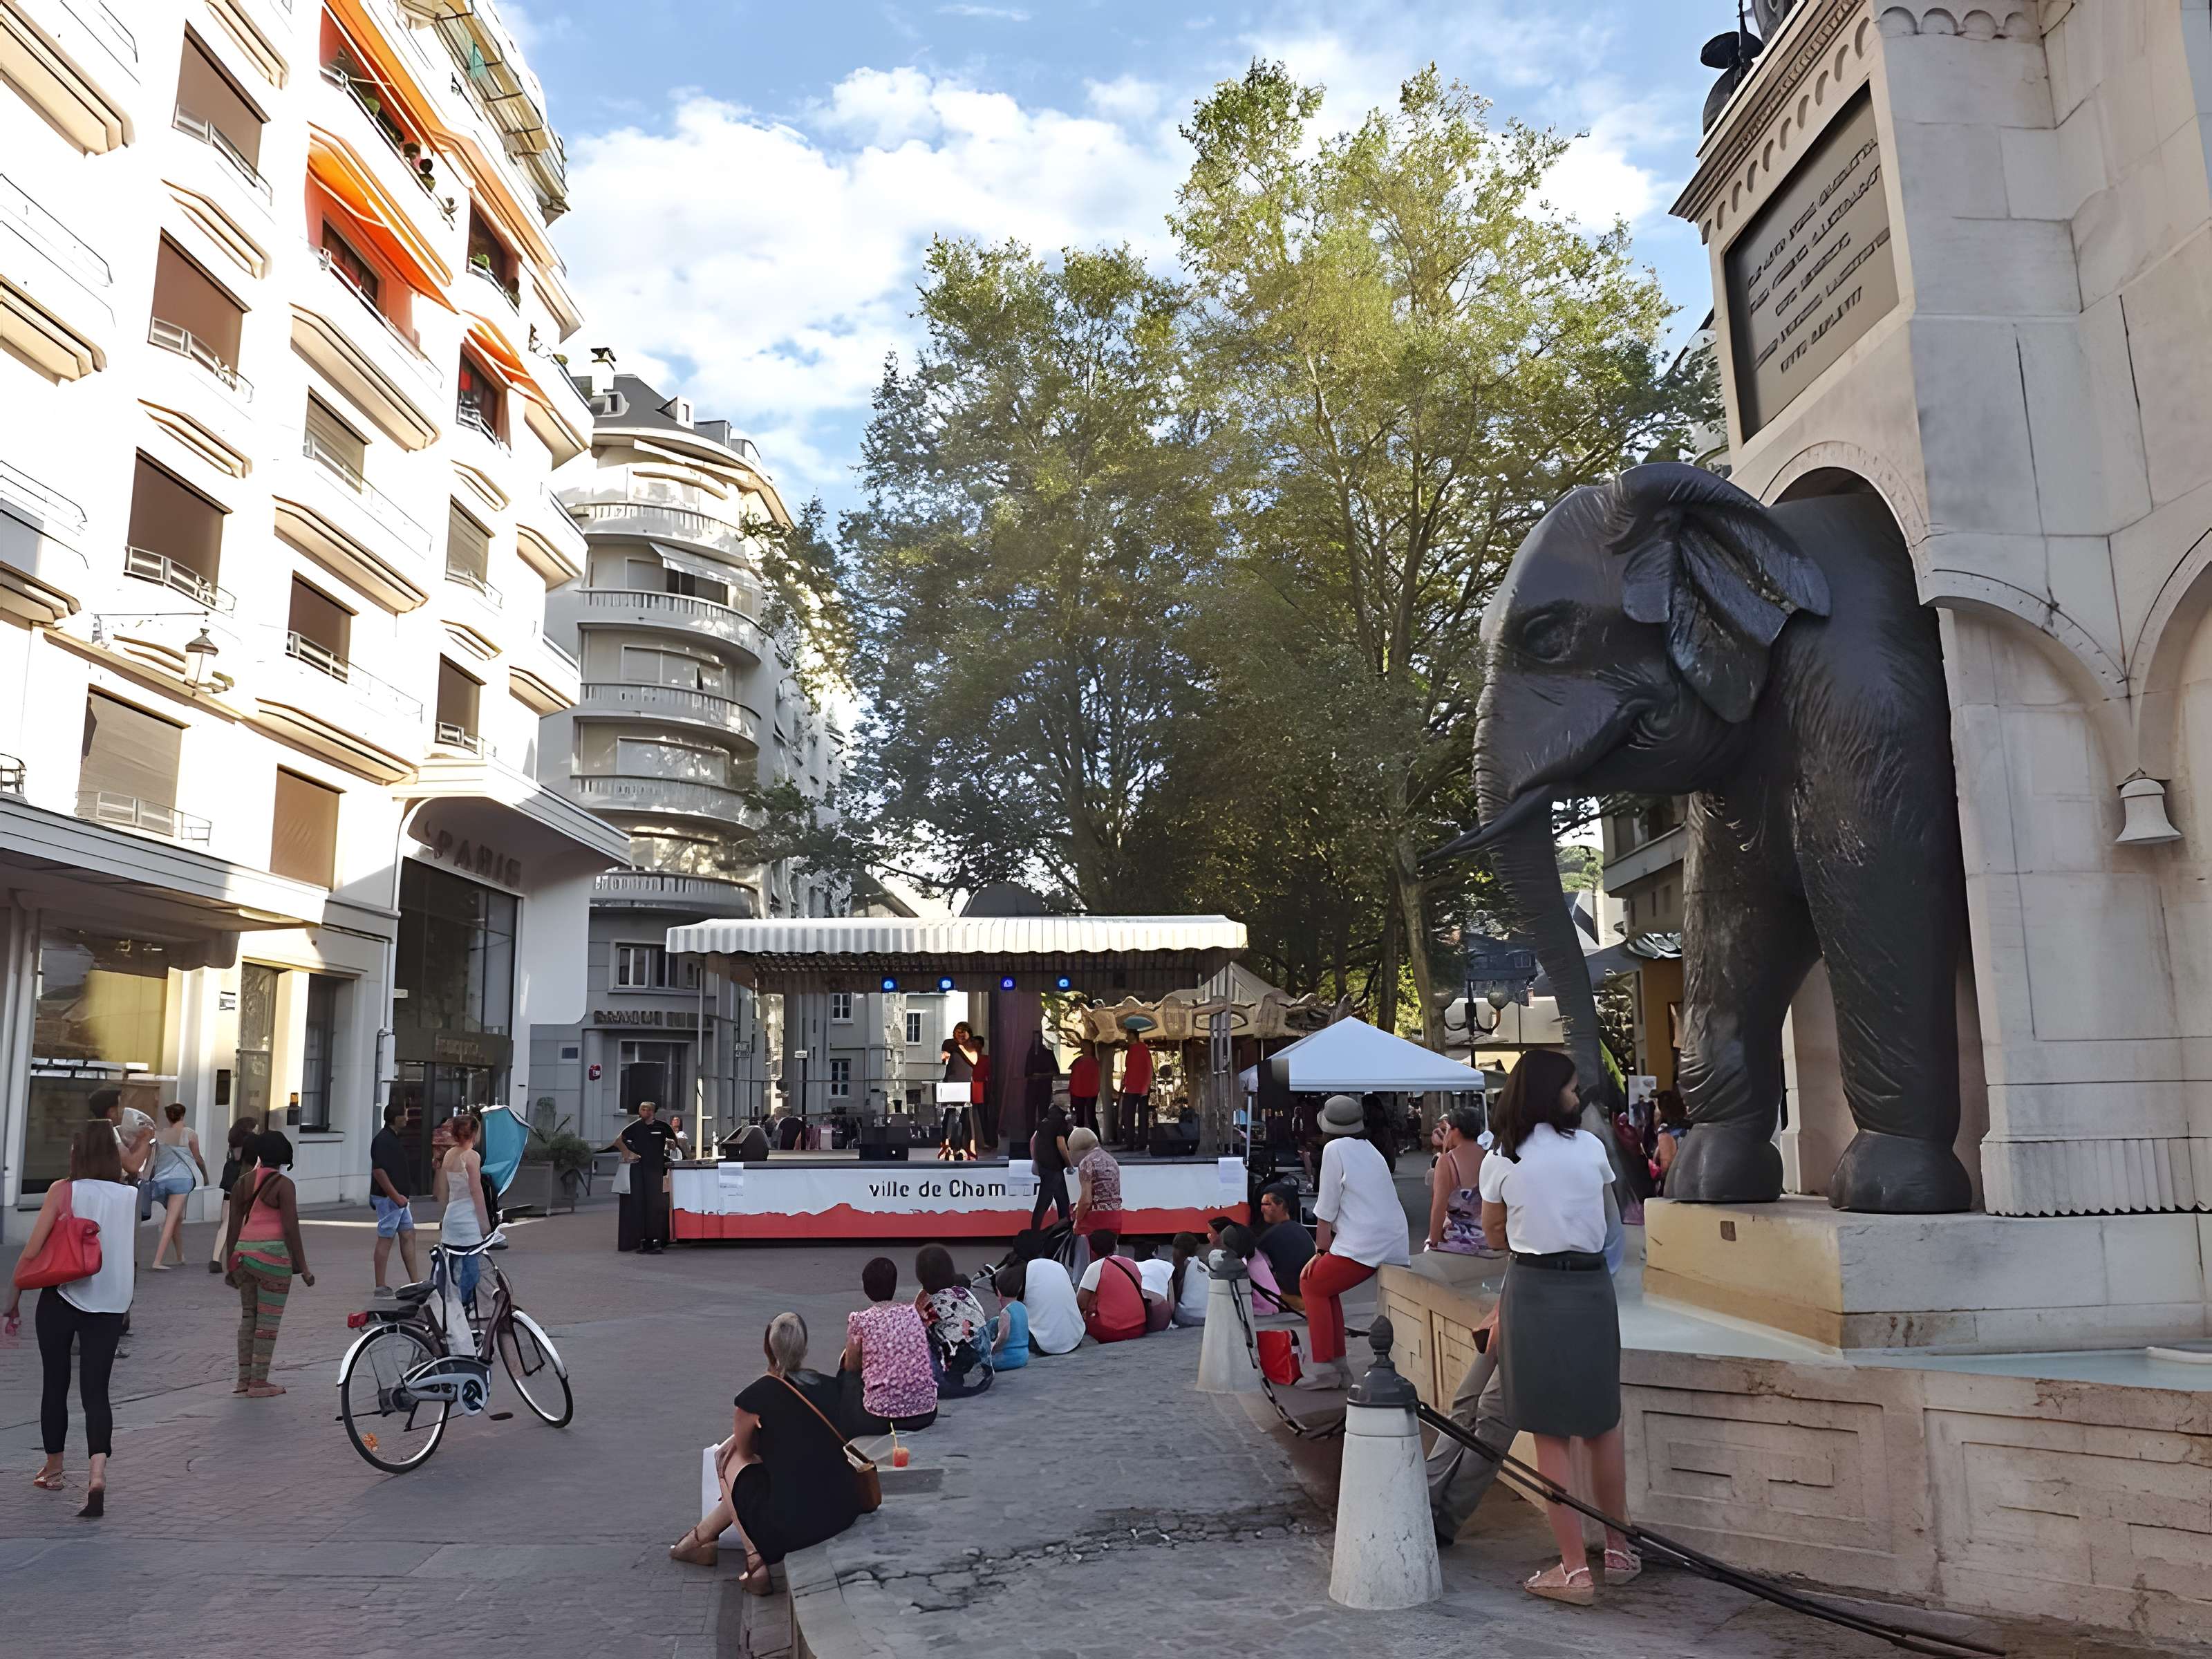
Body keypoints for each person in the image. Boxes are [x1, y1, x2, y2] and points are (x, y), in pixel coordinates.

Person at [1481, 1049, 1634, 1605]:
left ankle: (1573, 1570)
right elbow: (1610, 1224)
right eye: (1571, 1089)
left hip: (1535, 1289)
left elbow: (1494, 1235)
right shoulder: (1591, 1149)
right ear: (1553, 1095)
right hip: (1592, 1288)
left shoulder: (1502, 1159)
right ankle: (1618, 1549)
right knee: (1602, 1421)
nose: (1577, 1097)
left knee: (1551, 1431)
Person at [671, 1313, 862, 1590]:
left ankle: (755, 1564)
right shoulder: (830, 1387)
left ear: (767, 1349)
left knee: (726, 1460)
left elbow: (746, 1453)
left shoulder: (754, 1397)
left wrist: (740, 1440)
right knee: (755, 1471)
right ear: (805, 1348)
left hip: (794, 1524)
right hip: (840, 1509)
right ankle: (698, 1540)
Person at [6, 1121, 135, 1517]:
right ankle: (97, 1475)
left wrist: (12, 1298)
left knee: (55, 1383)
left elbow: (33, 1248)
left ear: (77, 1154)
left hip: (63, 1294)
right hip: (112, 1301)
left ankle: (55, 1468)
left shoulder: (64, 1190)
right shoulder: (129, 1195)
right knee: (97, 1392)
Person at [1299, 1094, 1412, 1391]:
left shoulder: (1334, 1149)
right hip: (1392, 1238)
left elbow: (1326, 1208)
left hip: (1366, 1242)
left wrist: (1320, 1251)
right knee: (1325, 1287)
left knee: (1311, 1284)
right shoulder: (1369, 1148)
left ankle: (1328, 1366)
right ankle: (1334, 1364)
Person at [222, 1130, 315, 1398]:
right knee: (267, 1323)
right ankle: (259, 1383)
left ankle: (243, 1380)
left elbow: (234, 1226)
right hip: (272, 1260)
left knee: (248, 1317)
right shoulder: (284, 1185)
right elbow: (290, 1228)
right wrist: (303, 1267)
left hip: (243, 1258)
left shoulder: (242, 1183)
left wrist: (232, 1261)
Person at [839, 1256, 939, 1434]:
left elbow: (852, 1366)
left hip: (879, 1418)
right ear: (894, 1286)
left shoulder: (860, 1320)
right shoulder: (914, 1315)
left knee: (846, 1377)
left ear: (866, 1288)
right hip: (925, 1413)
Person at [914, 1243, 994, 1397]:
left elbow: (916, 1329)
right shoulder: (963, 1292)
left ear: (921, 1278)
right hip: (984, 1376)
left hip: (955, 1384)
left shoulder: (932, 1308)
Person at [435, 1112, 491, 1322]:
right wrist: (484, 1223)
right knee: (471, 1270)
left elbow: (442, 1190)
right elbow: (476, 1190)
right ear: (474, 1134)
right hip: (468, 1220)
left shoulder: (450, 1155)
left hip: (452, 1216)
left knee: (451, 1268)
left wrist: (444, 1211)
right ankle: (459, 1306)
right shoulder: (472, 1157)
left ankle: (448, 1304)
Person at [1426, 1105, 1498, 1257]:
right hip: (1490, 1240)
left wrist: (1433, 1240)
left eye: (1448, 1130)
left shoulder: (1447, 1161)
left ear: (1456, 1130)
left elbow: (1438, 1207)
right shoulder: (1490, 1156)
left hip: (1458, 1241)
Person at [144, 1103, 206, 1271]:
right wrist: (204, 1175)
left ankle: (180, 1256)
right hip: (182, 1180)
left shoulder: (160, 1135)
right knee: (171, 1219)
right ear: (183, 1115)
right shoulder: (190, 1133)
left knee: (177, 1218)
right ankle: (157, 1261)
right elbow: (197, 1157)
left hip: (162, 1179)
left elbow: (154, 1157)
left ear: (168, 1117)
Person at [370, 1101, 422, 1294]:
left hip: (398, 1199)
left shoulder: (391, 1138)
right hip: (390, 1199)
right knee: (386, 1238)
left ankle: (415, 1281)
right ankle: (380, 1285)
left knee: (408, 1234)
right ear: (396, 1117)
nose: (408, 1119)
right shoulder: (384, 1140)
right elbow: (379, 1171)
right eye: (405, 1115)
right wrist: (395, 1196)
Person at [1008, 1230, 1084, 1355]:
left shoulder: (1023, 1271)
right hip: (1076, 1337)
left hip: (1044, 1344)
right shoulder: (1058, 1266)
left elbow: (1011, 1307)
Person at [618, 1100, 677, 1253]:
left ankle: (655, 1239)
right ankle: (643, 1239)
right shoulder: (634, 1127)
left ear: (653, 1112)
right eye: (641, 1109)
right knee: (640, 1204)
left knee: (654, 1205)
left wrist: (671, 1143)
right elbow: (619, 1141)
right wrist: (628, 1153)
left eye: (646, 1109)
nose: (643, 1112)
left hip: (655, 1170)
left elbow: (673, 1141)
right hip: (638, 1170)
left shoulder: (662, 1127)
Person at [1076, 1227, 1147, 1343]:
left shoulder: (1095, 1267)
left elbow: (1081, 1304)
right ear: (1115, 1246)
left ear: (1092, 1250)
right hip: (1140, 1327)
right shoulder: (1130, 1263)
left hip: (1113, 1331)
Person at [208, 1119, 259, 1274]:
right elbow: (256, 1164)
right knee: (241, 1222)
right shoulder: (253, 1142)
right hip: (243, 1179)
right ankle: (239, 1258)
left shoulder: (233, 1140)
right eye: (256, 1128)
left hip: (229, 1178)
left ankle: (216, 1258)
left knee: (226, 1221)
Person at [1254, 1185, 1313, 1310]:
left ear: (1281, 1205)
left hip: (1291, 1293)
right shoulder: (1300, 1229)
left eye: (1267, 1204)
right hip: (1307, 1289)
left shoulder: (1273, 1235)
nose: (1262, 1209)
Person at [1067, 1127, 1124, 1235]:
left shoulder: (1086, 1162)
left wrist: (1077, 1222)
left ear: (1078, 1149)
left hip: (1097, 1220)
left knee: (1089, 1251)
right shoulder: (1111, 1160)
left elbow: (1086, 1200)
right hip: (1116, 1218)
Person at [1029, 1096, 1072, 1230]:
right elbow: (1061, 1144)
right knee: (1047, 1202)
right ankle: (1038, 1233)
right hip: (1054, 1167)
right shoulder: (1060, 1121)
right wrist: (1069, 1163)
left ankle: (1062, 1231)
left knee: (1060, 1201)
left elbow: (1034, 1140)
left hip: (1044, 1165)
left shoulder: (1045, 1120)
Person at [988, 1264, 1031, 1369]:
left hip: (1009, 1358)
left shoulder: (1006, 1312)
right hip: (1024, 1356)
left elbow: (1003, 1336)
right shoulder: (1023, 1307)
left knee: (981, 1363)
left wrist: (992, 1346)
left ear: (999, 1292)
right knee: (995, 1321)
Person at [1118, 1031, 1154, 1151]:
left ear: (1133, 1035)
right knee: (1128, 1116)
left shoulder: (1143, 1049)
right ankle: (1130, 1143)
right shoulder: (1130, 1050)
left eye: (1128, 1034)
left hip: (1141, 1088)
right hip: (1131, 1088)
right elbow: (1128, 1069)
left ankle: (1142, 1143)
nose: (1126, 1036)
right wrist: (1125, 1083)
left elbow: (1149, 1069)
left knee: (1143, 1117)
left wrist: (1146, 1086)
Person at [1132, 1241, 1177, 1333]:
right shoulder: (1166, 1266)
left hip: (1135, 1319)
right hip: (1160, 1318)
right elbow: (1172, 1304)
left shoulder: (1130, 1266)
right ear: (1155, 1251)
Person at [1168, 1232, 1210, 1327]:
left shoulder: (1183, 1266)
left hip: (1187, 1318)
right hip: (1207, 1316)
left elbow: (1176, 1294)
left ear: (1176, 1250)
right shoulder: (1202, 1265)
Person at [1652, 1089, 1689, 1191]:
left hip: (1675, 1186)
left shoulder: (1665, 1132)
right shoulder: (1694, 1127)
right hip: (1692, 1180)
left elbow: (1666, 1166)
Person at [1068, 1042, 1100, 1132]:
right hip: (1079, 1092)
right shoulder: (1078, 1061)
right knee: (1081, 1118)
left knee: (1090, 1117)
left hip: (1089, 1092)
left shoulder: (1094, 1062)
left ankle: (1095, 1139)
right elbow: (1073, 1078)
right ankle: (1080, 1139)